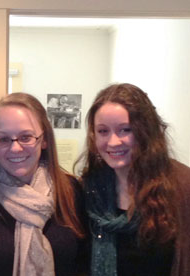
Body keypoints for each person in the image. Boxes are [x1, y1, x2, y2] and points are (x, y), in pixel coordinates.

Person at [76, 83, 190, 276]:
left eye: (125, 130)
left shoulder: (182, 186)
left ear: (145, 131)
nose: (113, 142)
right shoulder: (88, 188)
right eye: (103, 131)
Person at [0, 92, 88, 276]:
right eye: (3, 139)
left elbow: (86, 263)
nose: (15, 148)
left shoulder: (72, 191)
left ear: (44, 140)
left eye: (26, 137)